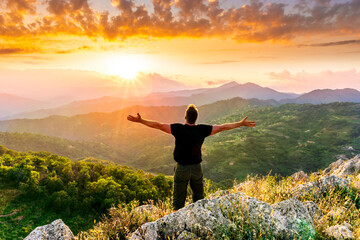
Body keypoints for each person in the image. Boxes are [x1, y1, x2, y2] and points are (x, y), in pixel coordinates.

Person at [127, 104, 256, 210]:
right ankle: (199, 217)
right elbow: (223, 127)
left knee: (178, 203)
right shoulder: (202, 130)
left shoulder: (178, 129)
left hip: (181, 169)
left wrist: (141, 121)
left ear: (185, 117)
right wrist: (240, 123)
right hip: (196, 169)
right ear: (196, 118)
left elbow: (159, 125)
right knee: (199, 199)